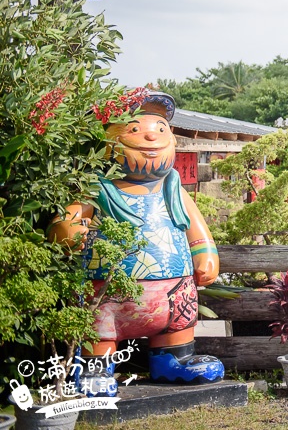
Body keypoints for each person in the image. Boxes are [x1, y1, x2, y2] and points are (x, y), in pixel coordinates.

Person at [49, 90, 224, 394]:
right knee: (97, 327)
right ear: (110, 138)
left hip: (172, 294)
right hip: (107, 294)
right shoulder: (96, 188)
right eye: (134, 129)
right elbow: (65, 224)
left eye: (160, 129)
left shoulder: (172, 187)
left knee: (178, 325)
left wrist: (206, 254)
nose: (152, 137)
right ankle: (96, 368)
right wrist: (67, 231)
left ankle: (173, 359)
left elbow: (197, 229)